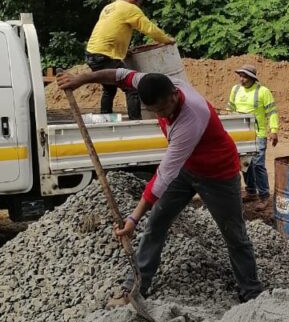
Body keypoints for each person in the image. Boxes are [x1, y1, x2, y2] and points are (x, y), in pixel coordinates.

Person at [57, 67, 264, 305]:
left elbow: (164, 176)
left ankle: (251, 292)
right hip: (187, 167)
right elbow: (118, 75)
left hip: (218, 173)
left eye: (165, 109)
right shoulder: (150, 82)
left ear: (174, 94)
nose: (162, 115)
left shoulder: (191, 117)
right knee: (156, 223)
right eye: (156, 111)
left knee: (234, 234)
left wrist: (132, 220)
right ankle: (135, 287)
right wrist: (81, 79)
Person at [85, 0, 174, 120]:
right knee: (132, 88)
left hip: (92, 53)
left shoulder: (109, 7)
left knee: (109, 89)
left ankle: (105, 120)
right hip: (106, 56)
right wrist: (166, 40)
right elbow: (149, 29)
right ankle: (135, 122)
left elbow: (111, 31)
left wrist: (123, 51)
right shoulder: (130, 9)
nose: (140, 5)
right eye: (140, 1)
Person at [227, 65, 279, 208]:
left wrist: (273, 130)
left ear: (252, 78)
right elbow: (230, 110)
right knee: (245, 164)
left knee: (257, 165)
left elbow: (272, 112)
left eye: (245, 77)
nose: (241, 80)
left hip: (258, 135)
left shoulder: (263, 92)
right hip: (240, 135)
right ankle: (251, 192)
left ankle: (264, 196)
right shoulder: (235, 90)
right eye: (240, 76)